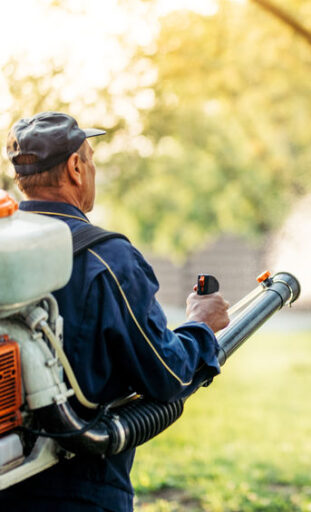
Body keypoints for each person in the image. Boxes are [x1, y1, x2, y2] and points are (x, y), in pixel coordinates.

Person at [0, 111, 230, 511]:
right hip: (81, 491)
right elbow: (168, 374)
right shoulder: (105, 259)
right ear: (75, 167)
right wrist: (201, 325)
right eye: (90, 158)